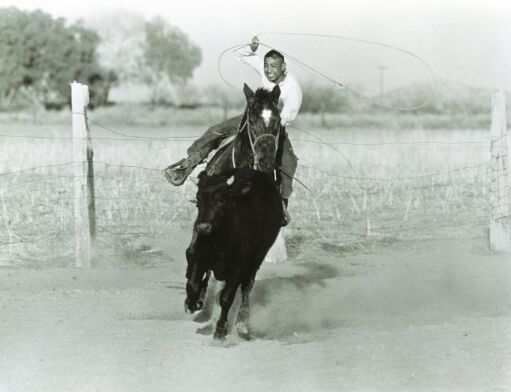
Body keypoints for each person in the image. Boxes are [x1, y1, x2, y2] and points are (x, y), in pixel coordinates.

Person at [165, 36, 302, 225]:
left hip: (273, 126)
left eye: (274, 67)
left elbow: (288, 115)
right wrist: (251, 47)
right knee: (217, 130)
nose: (269, 71)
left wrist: (269, 120)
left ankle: (281, 204)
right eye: (267, 66)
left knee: (289, 162)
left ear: (283, 67)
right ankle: (187, 165)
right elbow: (239, 55)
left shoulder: (293, 87)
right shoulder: (265, 70)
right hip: (253, 117)